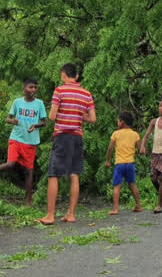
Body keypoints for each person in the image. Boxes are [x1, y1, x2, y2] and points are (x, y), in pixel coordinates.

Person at [36, 63, 96, 226]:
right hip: (77, 136)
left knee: (53, 174)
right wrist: (78, 114)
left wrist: (62, 110)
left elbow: (52, 116)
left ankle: (50, 215)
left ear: (63, 75)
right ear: (76, 76)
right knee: (74, 173)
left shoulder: (60, 91)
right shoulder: (86, 94)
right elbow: (92, 118)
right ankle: (70, 214)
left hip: (62, 136)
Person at [0, 78, 47, 205]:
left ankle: (28, 200)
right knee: (10, 163)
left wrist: (36, 126)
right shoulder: (17, 102)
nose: (33, 90)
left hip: (30, 142)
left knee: (29, 171)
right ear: (24, 89)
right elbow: (8, 119)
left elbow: (44, 122)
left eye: (35, 87)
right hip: (16, 138)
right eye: (30, 87)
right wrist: (13, 121)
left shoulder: (39, 104)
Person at [140, 97, 162, 213]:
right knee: (153, 178)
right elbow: (147, 135)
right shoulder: (154, 121)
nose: (159, 108)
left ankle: (160, 204)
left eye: (161, 106)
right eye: (159, 106)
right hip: (156, 153)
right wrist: (142, 145)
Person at [105, 111, 142, 215]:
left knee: (117, 186)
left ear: (122, 122)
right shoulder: (135, 134)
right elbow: (140, 149)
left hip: (119, 164)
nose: (117, 122)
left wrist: (107, 160)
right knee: (132, 185)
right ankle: (138, 205)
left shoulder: (116, 134)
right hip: (130, 164)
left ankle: (116, 209)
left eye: (118, 120)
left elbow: (110, 148)